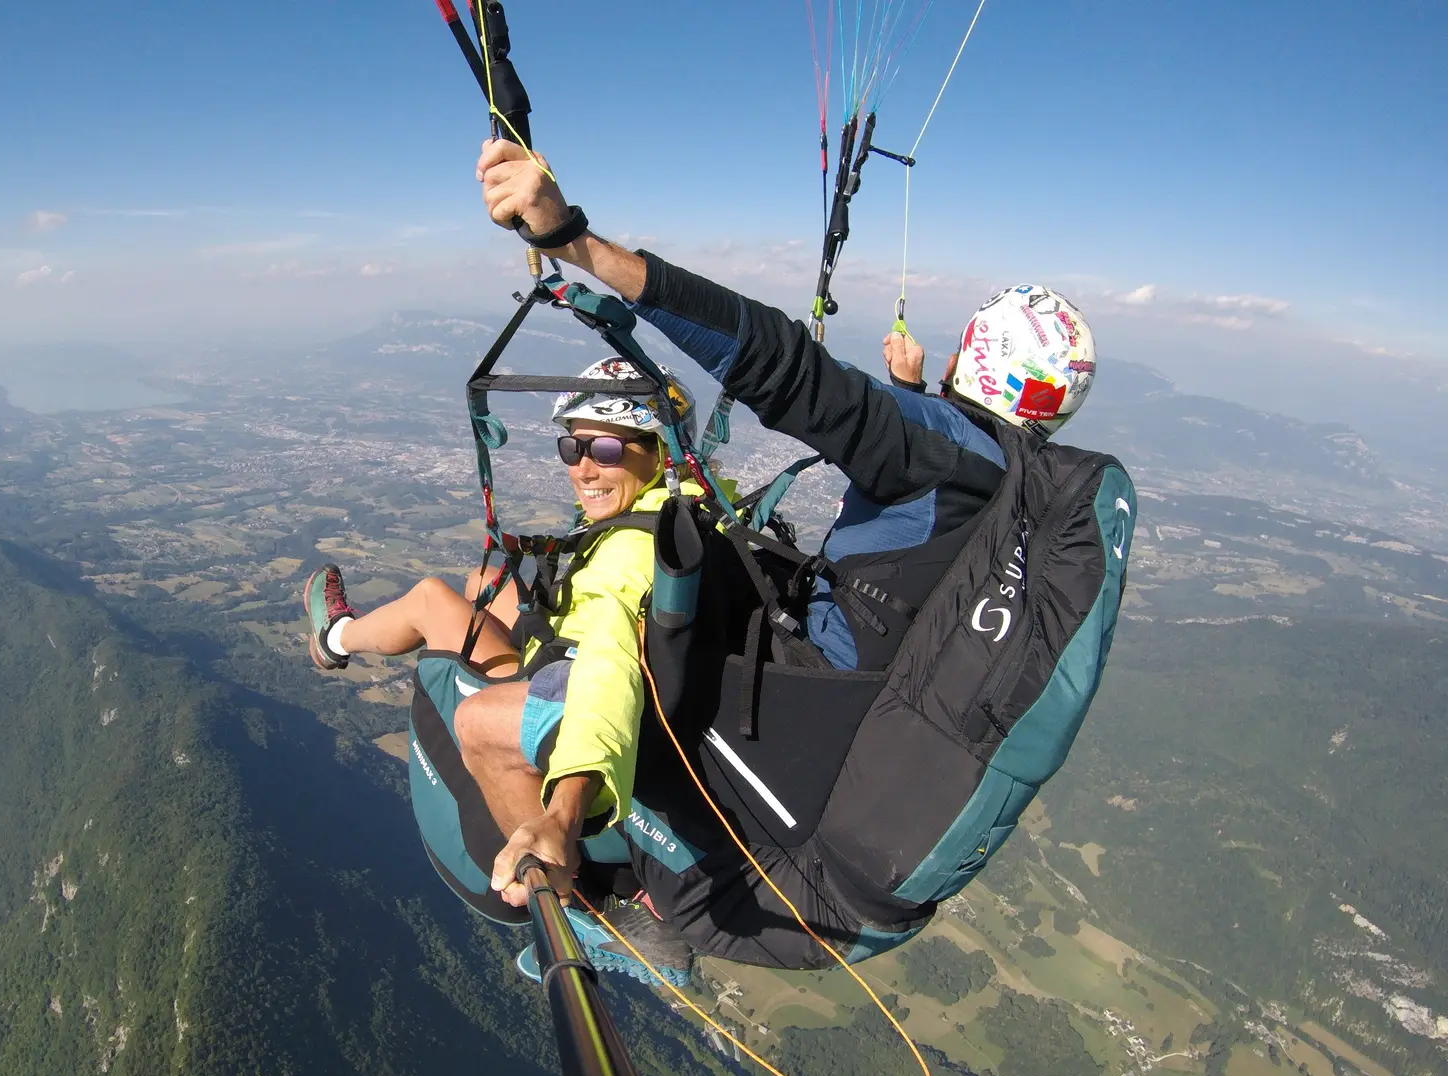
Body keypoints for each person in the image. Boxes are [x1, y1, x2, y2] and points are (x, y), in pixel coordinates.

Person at [465, 138, 1100, 973]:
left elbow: (781, 363)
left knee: (517, 697)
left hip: (776, 732)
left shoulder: (938, 450)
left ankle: (605, 907)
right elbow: (923, 541)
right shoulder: (1017, 491)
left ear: (968, 360)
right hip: (850, 750)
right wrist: (910, 402)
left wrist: (575, 243)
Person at [303, 357, 722, 984]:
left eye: (606, 446)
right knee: (481, 582)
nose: (584, 465)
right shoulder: (691, 504)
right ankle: (341, 637)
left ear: (658, 450)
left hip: (577, 692)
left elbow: (607, 670)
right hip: (582, 660)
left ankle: (333, 636)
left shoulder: (631, 556)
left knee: (431, 601)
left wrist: (564, 813)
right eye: (572, 446)